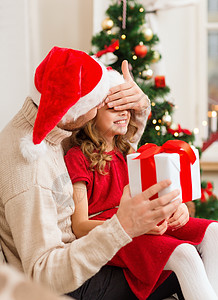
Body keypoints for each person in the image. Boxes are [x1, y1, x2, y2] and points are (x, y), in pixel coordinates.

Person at [0, 46, 183, 299]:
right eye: (99, 101)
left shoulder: (56, 127)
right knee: (179, 271)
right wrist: (122, 227)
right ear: (76, 110)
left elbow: (114, 149)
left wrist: (140, 107)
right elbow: (43, 276)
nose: (103, 103)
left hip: (82, 255)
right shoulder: (30, 170)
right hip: (68, 283)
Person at [65, 67, 218, 300]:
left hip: (140, 222)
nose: (124, 113)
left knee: (214, 231)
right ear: (91, 111)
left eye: (126, 107)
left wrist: (178, 210)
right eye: (114, 107)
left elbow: (150, 196)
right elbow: (79, 226)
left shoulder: (128, 153)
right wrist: (131, 226)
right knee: (184, 253)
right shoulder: (78, 157)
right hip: (110, 232)